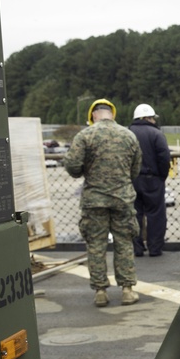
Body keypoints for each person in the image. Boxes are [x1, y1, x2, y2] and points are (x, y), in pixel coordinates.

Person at [63, 98, 141, 307]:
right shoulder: (129, 135)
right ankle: (127, 290)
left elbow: (72, 166)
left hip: (94, 200)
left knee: (96, 245)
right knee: (124, 242)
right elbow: (135, 169)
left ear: (93, 115)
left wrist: (85, 171)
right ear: (112, 114)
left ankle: (100, 291)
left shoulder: (85, 135)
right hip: (122, 198)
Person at [130, 103, 171, 257]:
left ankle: (137, 248)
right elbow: (164, 157)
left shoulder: (128, 133)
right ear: (147, 118)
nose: (154, 121)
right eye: (153, 118)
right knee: (156, 215)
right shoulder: (156, 134)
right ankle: (155, 248)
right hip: (153, 178)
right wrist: (162, 176)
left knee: (135, 214)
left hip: (133, 179)